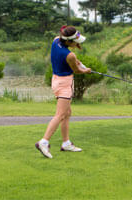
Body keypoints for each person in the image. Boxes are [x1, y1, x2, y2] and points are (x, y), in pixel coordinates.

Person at [35, 25, 91, 158]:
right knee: (60, 115)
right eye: (75, 42)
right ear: (68, 41)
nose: (77, 44)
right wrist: (86, 70)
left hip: (56, 81)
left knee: (67, 113)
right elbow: (77, 71)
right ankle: (44, 142)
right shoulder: (69, 55)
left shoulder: (56, 41)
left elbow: (73, 60)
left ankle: (66, 143)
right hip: (65, 84)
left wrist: (78, 60)